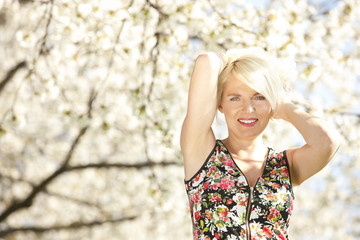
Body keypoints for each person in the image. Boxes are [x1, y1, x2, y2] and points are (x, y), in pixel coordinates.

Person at [180, 48, 340, 240]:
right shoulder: (202, 153)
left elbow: (327, 141)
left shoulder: (286, 165)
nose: (248, 108)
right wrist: (232, 61)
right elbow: (206, 61)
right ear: (220, 104)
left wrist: (282, 106)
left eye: (259, 97)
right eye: (235, 98)